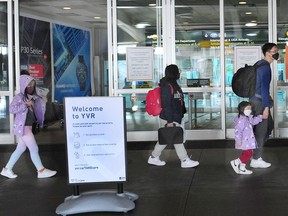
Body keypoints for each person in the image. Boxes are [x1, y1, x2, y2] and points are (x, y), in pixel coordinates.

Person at [1, 74, 57, 179]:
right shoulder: (18, 97)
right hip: (23, 128)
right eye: (29, 84)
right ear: (24, 85)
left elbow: (39, 108)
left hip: (29, 127)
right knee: (34, 148)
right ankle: (41, 170)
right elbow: (11, 109)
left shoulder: (33, 96)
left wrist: (42, 100)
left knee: (20, 149)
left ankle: (7, 169)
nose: (31, 86)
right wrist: (25, 105)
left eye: (32, 84)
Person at [147, 64, 199, 168]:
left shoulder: (173, 84)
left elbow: (177, 101)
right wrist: (170, 121)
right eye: (178, 71)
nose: (179, 73)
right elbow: (166, 104)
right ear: (174, 73)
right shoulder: (167, 86)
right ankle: (184, 160)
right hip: (169, 117)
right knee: (176, 138)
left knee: (166, 139)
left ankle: (153, 157)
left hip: (175, 116)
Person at [249, 42, 278, 169]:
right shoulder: (265, 67)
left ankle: (253, 151)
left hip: (255, 100)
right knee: (261, 130)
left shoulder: (259, 64)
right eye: (274, 51)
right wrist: (266, 107)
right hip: (260, 102)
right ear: (268, 53)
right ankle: (256, 158)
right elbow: (264, 89)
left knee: (268, 126)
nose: (277, 53)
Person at [230, 101, 262, 175]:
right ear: (242, 109)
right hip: (244, 141)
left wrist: (260, 117)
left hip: (247, 142)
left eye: (250, 108)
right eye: (248, 108)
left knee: (245, 154)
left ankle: (242, 168)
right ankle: (236, 162)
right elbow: (238, 131)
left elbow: (253, 121)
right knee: (249, 154)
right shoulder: (242, 120)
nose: (249, 110)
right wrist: (238, 141)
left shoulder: (246, 118)